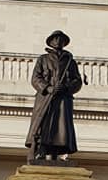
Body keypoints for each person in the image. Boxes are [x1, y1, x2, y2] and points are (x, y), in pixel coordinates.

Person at [25, 31, 83, 162]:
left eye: (61, 39)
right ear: (50, 41)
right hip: (46, 98)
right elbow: (35, 78)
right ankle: (40, 151)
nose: (58, 41)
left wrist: (66, 87)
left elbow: (77, 81)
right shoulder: (43, 59)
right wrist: (48, 88)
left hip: (62, 99)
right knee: (43, 125)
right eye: (55, 38)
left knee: (60, 127)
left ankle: (57, 154)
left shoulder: (70, 62)